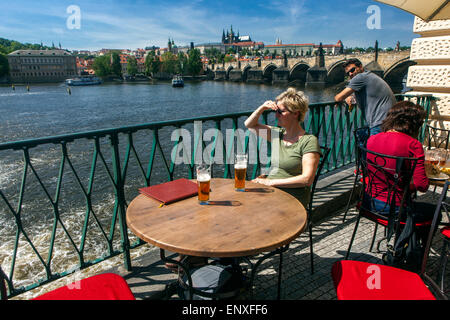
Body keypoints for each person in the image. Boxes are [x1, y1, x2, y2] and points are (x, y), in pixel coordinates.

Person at [364, 101, 440, 243]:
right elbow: (422, 186)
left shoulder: (372, 139)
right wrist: (404, 186)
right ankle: (415, 253)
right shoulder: (413, 144)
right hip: (395, 209)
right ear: (414, 124)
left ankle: (404, 240)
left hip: (369, 202)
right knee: (436, 212)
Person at [244, 87, 321, 207]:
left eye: (281, 112)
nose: (276, 115)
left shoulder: (309, 141)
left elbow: (307, 179)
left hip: (292, 198)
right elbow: (249, 125)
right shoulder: (277, 134)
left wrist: (270, 182)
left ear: (295, 113)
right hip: (271, 191)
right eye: (276, 111)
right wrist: (262, 108)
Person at [335, 58, 396, 138]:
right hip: (390, 120)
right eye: (348, 73)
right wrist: (352, 98)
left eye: (352, 70)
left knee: (374, 149)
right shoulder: (370, 75)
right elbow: (370, 94)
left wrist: (339, 98)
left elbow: (338, 97)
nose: (350, 74)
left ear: (360, 67)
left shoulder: (360, 77)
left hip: (379, 122)